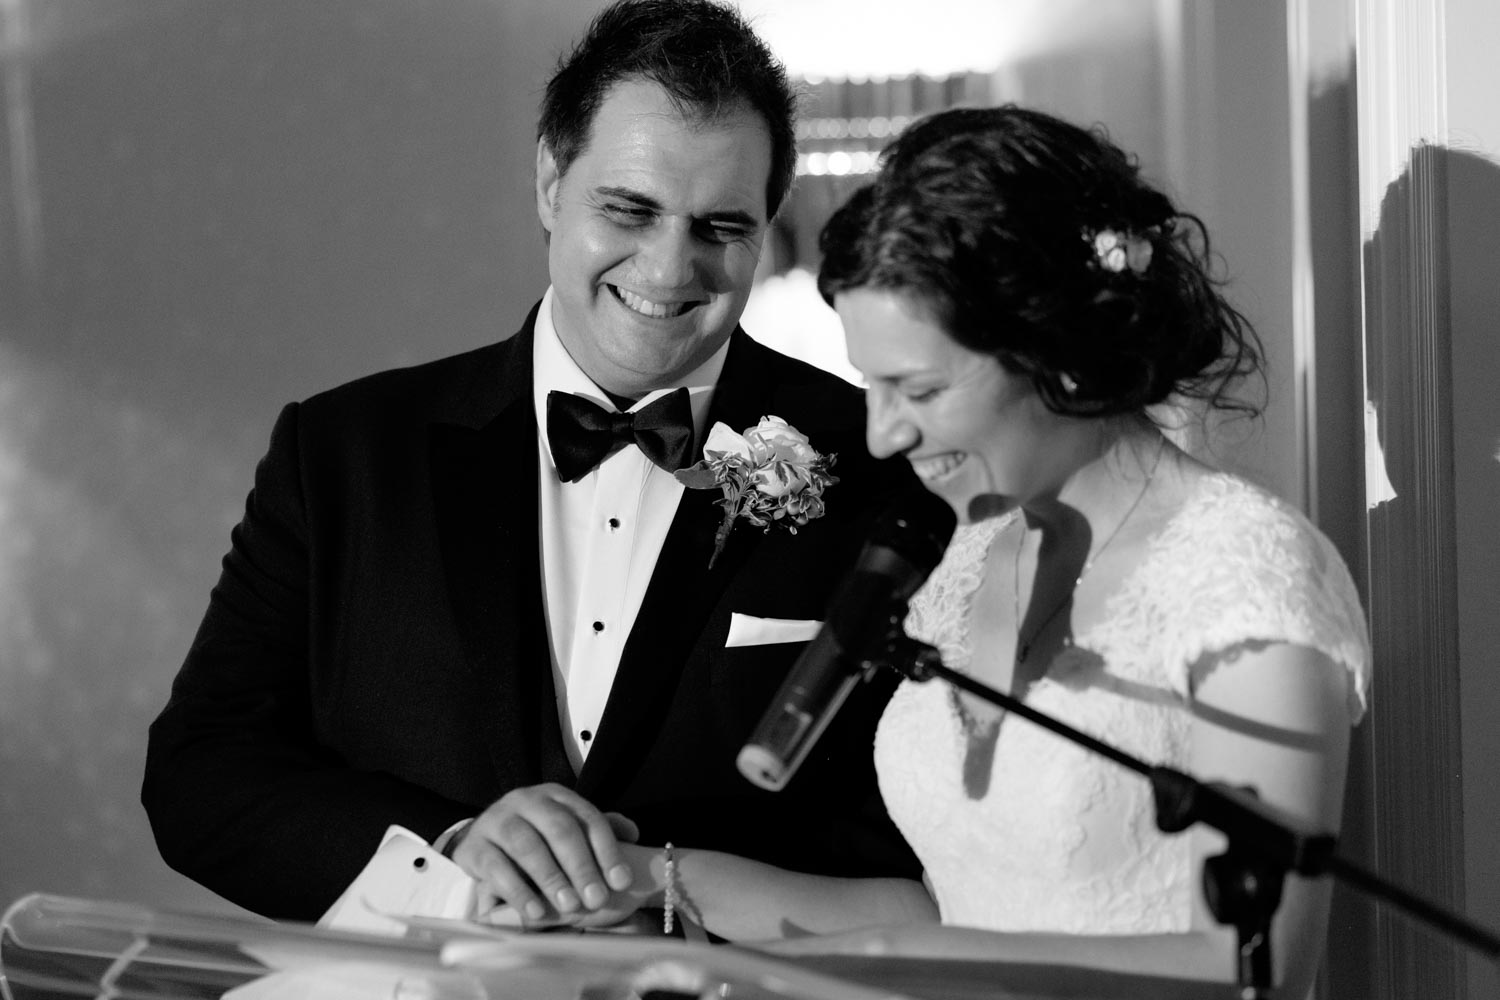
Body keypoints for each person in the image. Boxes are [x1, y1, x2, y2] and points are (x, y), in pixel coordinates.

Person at [558, 105, 1371, 998]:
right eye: (872, 386)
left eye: (919, 388)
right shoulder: (963, 561)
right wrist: (640, 883)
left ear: (1056, 353)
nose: (880, 435)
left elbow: (1256, 970)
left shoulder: (1248, 575)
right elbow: (954, 909)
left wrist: (861, 970)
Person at [141, 0, 923, 926]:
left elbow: (926, 832)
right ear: (551, 182)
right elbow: (202, 772)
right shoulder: (345, 453)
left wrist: (679, 893)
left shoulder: (884, 461)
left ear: (769, 221)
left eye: (721, 228)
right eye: (629, 209)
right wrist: (451, 855)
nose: (671, 270)